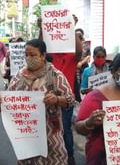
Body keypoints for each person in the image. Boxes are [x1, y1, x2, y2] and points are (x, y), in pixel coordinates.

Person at [3, 39, 76, 164]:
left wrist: (57, 99)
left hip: (51, 136)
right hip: (27, 136)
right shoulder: (20, 76)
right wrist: (2, 100)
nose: (29, 58)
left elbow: (71, 100)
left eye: (33, 55)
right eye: (26, 55)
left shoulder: (55, 76)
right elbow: (9, 99)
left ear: (43, 56)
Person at [38, 15, 83, 165]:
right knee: (49, 130)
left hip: (65, 100)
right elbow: (39, 47)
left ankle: (69, 156)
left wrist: (72, 27)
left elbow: (79, 52)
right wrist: (42, 28)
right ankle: (51, 156)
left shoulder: (71, 56)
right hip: (47, 99)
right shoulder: (48, 57)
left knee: (65, 130)